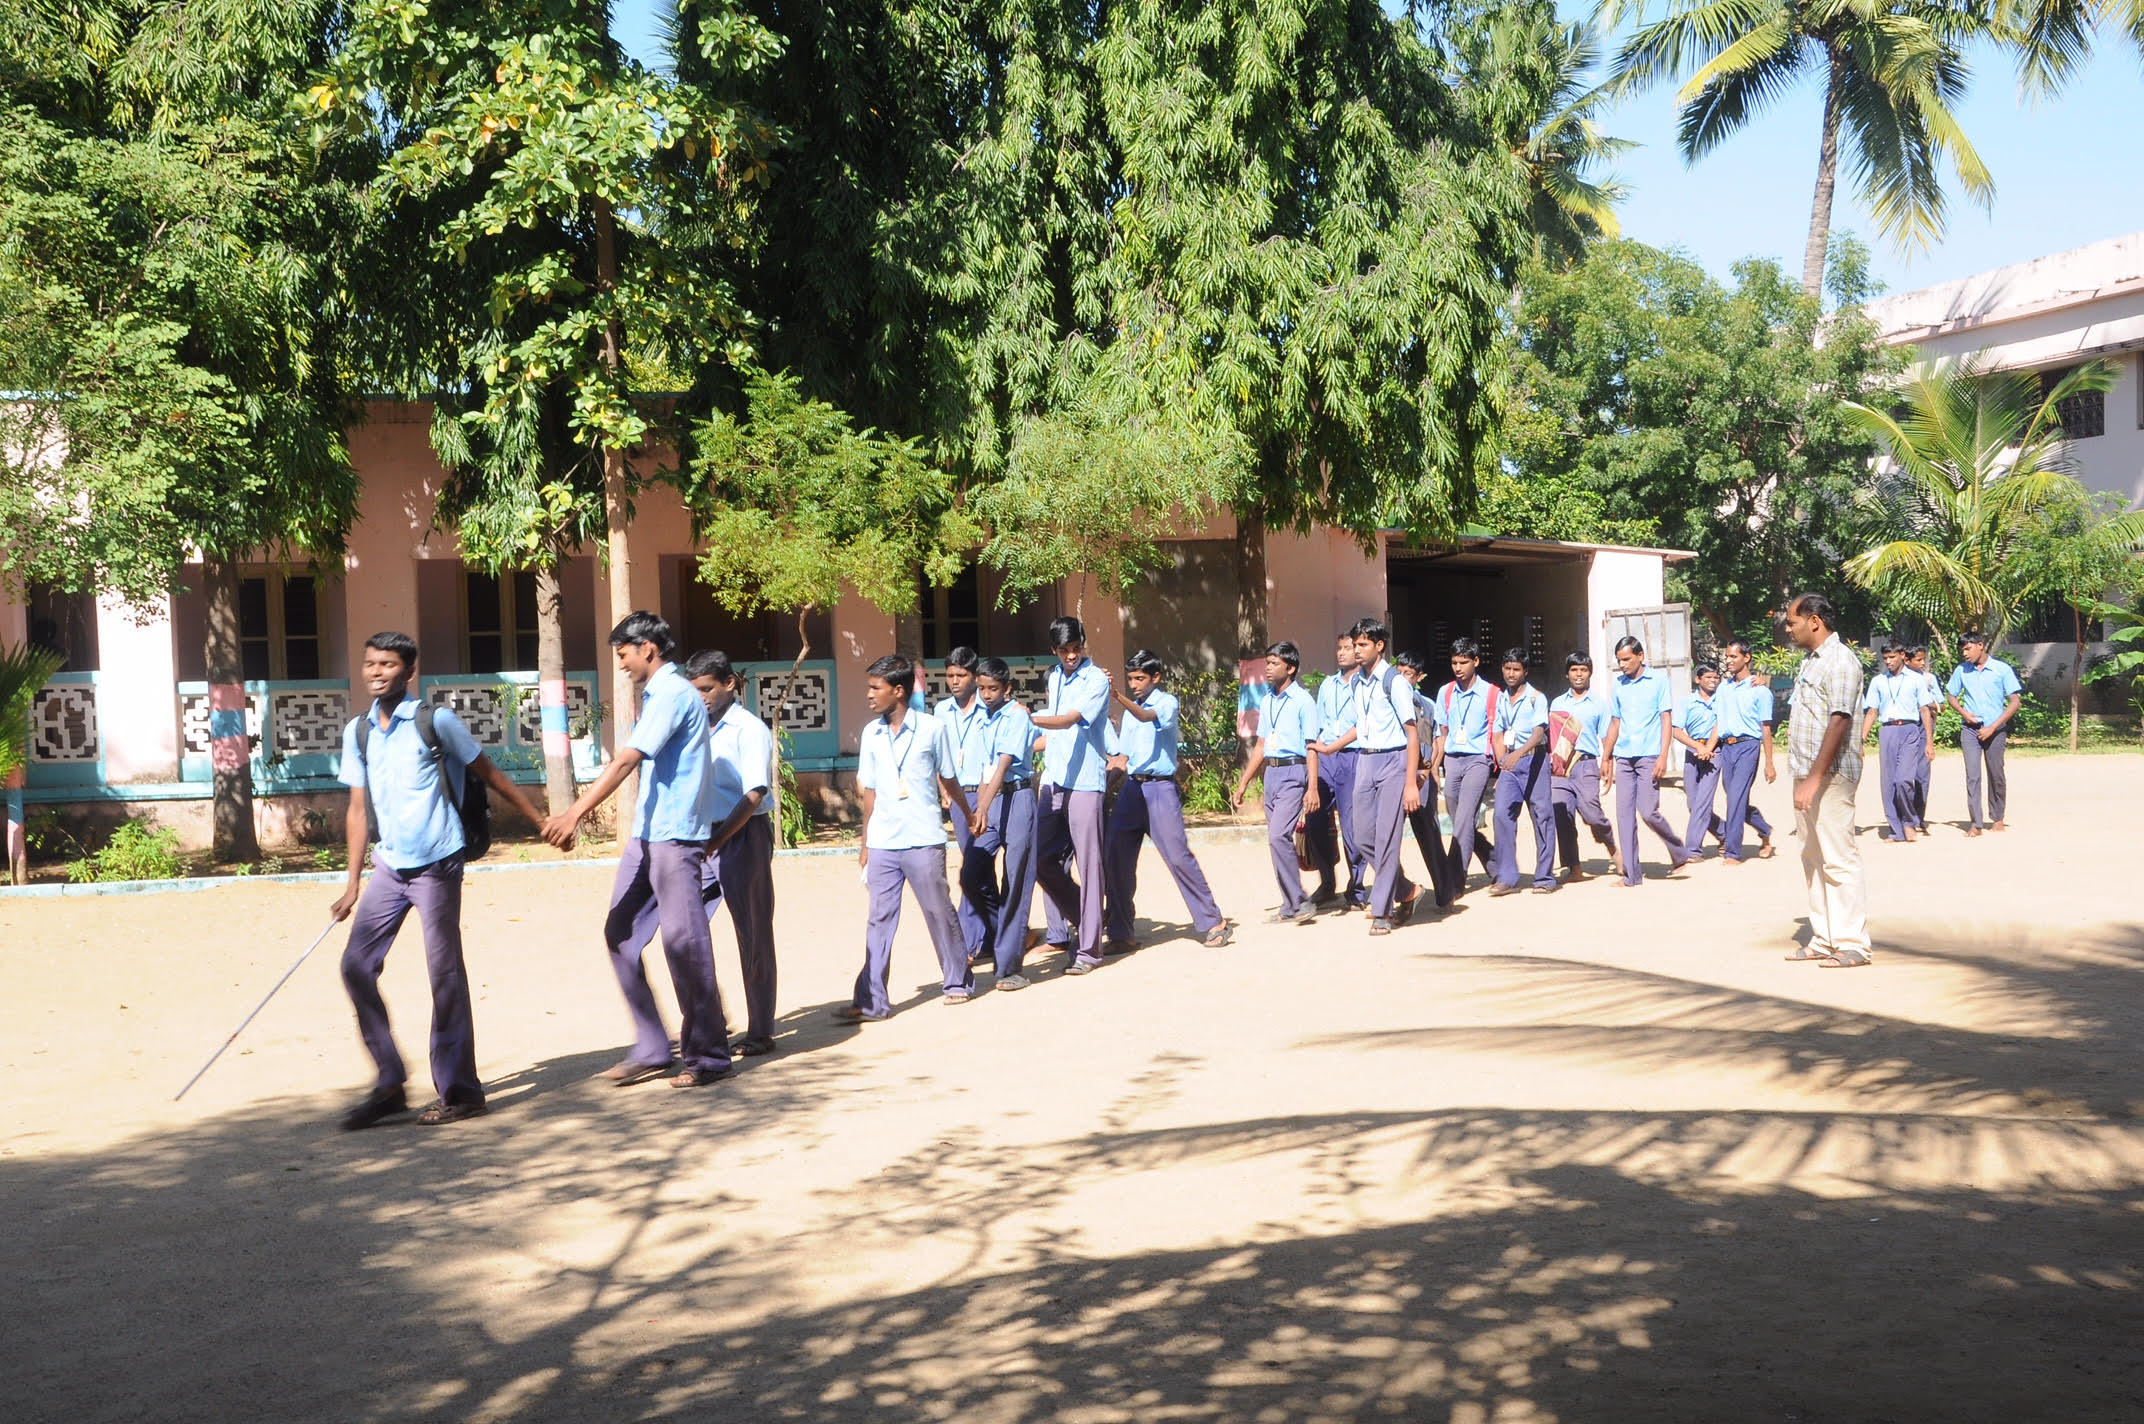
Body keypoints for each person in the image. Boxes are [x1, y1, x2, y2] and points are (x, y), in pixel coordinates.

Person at [330, 631, 547, 1130]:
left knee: (443, 974)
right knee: (356, 966)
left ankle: (461, 1091)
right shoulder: (358, 731)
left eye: (387, 664)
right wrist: (352, 883)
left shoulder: (435, 721)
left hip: (437, 864)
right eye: (370, 663)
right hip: (389, 866)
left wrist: (536, 820)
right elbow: (358, 808)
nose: (376, 672)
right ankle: (389, 1083)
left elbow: (488, 772)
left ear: (408, 671)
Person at [542, 613, 732, 1088]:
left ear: (647, 647)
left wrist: (573, 813)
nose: (622, 663)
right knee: (621, 934)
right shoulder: (658, 694)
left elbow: (628, 758)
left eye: (624, 653)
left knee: (684, 945)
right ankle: (652, 1046)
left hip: (676, 836)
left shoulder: (672, 692)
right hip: (649, 835)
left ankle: (708, 1056)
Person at [838, 653, 977, 1018]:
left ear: (897, 691)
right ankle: (872, 999)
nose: (869, 695)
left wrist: (966, 811)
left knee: (937, 910)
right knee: (879, 919)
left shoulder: (932, 729)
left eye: (875, 688)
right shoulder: (871, 733)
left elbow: (948, 777)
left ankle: (957, 981)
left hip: (922, 836)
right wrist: (865, 842)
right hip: (884, 840)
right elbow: (869, 791)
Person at [682, 650, 779, 1056]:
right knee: (684, 930)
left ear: (729, 685)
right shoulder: (694, 727)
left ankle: (760, 1030)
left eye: (706, 688)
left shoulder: (749, 729)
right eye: (695, 691)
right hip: (703, 836)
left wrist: (718, 842)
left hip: (743, 834)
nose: (700, 697)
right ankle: (711, 1018)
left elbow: (754, 794)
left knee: (752, 933)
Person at [1103, 651, 1231, 951]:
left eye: (1140, 678)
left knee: (1177, 856)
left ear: (1155, 677)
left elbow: (1146, 716)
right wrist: (1106, 790)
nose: (1135, 684)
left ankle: (1213, 922)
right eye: (1131, 678)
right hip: (1132, 791)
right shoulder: (1130, 713)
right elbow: (1123, 756)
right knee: (1115, 858)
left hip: (1160, 790)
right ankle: (1121, 932)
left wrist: (1117, 696)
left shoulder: (1165, 703)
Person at [1783, 593, 1870, 967]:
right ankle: (1824, 937)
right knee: (1813, 857)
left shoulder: (1841, 661)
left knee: (1838, 859)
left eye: (1792, 622)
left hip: (1830, 776)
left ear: (1814, 621)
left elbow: (1840, 721)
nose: (1788, 629)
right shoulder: (1811, 662)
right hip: (1806, 774)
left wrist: (1815, 778)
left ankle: (1853, 944)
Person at [1030, 617, 1112, 972]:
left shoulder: (1096, 680)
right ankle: (1087, 914)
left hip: (1085, 783)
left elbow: (1069, 719)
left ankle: (1089, 950)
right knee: (1040, 861)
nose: (1071, 655)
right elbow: (1055, 723)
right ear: (1054, 651)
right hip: (1054, 779)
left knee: (1088, 864)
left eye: (1076, 647)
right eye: (1064, 651)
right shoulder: (1053, 676)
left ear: (1083, 643)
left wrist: (1026, 717)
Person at [1234, 641, 1322, 925]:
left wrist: (1312, 786)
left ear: (1291, 667)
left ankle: (1301, 900)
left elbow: (1311, 746)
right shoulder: (1267, 699)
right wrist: (1244, 782)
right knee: (1275, 842)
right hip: (1271, 774)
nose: (1267, 669)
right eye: (1267, 663)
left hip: (1293, 773)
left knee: (1278, 836)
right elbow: (1261, 744)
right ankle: (1289, 905)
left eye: (1274, 664)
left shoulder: (1303, 702)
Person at [1347, 620, 1425, 934]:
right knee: (1361, 835)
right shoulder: (1355, 683)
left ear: (1379, 646)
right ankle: (1407, 890)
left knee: (1387, 837)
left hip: (1394, 761)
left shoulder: (1395, 682)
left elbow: (1412, 732)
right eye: (1355, 645)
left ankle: (1382, 911)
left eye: (1362, 644)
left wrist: (1410, 782)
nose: (1356, 650)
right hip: (1365, 760)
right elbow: (1361, 725)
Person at [968, 657, 1041, 989]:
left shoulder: (1016, 717)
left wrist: (981, 807)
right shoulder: (983, 719)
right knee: (972, 873)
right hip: (993, 800)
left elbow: (1003, 765)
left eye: (992, 688)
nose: (985, 694)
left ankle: (1009, 967)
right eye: (981, 688)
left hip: (1019, 798)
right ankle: (1006, 937)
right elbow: (985, 770)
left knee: (1014, 881)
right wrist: (980, 809)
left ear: (1007, 688)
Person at [1601, 634, 1690, 886]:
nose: (1623, 665)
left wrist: (1664, 756)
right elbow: (1615, 723)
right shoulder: (1618, 685)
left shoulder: (1658, 680)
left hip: (1650, 754)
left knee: (1648, 811)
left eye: (1627, 659)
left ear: (1640, 656)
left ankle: (1678, 850)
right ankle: (1632, 874)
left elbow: (1666, 719)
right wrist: (1606, 757)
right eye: (1619, 660)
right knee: (1623, 815)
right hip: (1624, 756)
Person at [933, 647, 995, 963]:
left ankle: (970, 941)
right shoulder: (941, 711)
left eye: (961, 675)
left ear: (974, 676)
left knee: (974, 865)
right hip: (958, 797)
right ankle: (994, 936)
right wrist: (943, 788)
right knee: (978, 866)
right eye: (950, 675)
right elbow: (936, 753)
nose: (954, 681)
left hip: (986, 795)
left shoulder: (988, 708)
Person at [1430, 638, 1499, 896]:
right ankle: (1496, 863)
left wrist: (1499, 764)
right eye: (1454, 662)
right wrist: (1436, 766)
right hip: (1452, 761)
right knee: (1462, 821)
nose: (1458, 667)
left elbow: (1498, 732)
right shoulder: (1445, 692)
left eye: (1463, 662)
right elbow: (1442, 732)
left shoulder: (1491, 693)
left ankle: (1454, 880)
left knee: (1463, 820)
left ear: (1476, 661)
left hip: (1478, 761)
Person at [1306, 629, 1369, 911]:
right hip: (1325, 756)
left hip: (1351, 756)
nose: (1343, 652)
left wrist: (1334, 747)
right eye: (1340, 647)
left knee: (1352, 825)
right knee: (1315, 819)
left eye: (1348, 647)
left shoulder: (1364, 684)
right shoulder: (1328, 685)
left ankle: (1355, 888)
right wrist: (1318, 752)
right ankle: (1327, 881)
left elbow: (1362, 726)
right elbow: (1319, 725)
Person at [1393, 651, 1458, 908]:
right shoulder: (1387, 704)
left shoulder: (1428, 706)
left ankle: (1445, 892)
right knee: (1388, 838)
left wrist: (1429, 770)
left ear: (1418, 677)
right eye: (1398, 672)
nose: (1402, 677)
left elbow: (1437, 742)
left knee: (1429, 834)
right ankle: (1395, 893)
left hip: (1421, 779)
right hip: (1394, 776)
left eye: (1408, 673)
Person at [1488, 649, 1556, 896]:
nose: (1511, 674)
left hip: (1534, 760)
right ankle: (1507, 876)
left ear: (1525, 671)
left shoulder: (1537, 698)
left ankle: (1545, 877)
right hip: (1511, 766)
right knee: (1501, 815)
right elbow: (1497, 733)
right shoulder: (1502, 698)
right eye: (1507, 668)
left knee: (1542, 817)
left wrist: (1519, 754)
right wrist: (1502, 760)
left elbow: (1539, 733)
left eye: (1516, 669)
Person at [1548, 652, 1620, 883]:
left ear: (1590, 672)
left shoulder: (1599, 704)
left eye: (1583, 670)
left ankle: (1612, 847)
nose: (1578, 674)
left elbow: (1606, 735)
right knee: (1562, 815)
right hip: (1560, 766)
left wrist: (1607, 762)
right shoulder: (1557, 703)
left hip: (1586, 764)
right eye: (1574, 670)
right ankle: (1574, 868)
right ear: (1567, 674)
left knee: (1592, 814)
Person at [1946, 631, 2021, 836]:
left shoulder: (2001, 669)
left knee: (1996, 773)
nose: (1965, 653)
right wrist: (1964, 713)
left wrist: (1993, 727)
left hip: (1995, 730)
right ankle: (1976, 823)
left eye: (1968, 648)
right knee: (1973, 776)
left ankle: (1997, 817)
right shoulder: (1962, 670)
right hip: (1970, 730)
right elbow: (1951, 696)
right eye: (1962, 649)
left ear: (1981, 645)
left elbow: (2015, 702)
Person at [1715, 640, 1778, 864]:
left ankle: (1733, 852)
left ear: (1746, 658)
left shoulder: (1760, 691)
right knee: (1735, 798)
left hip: (1748, 746)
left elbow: (1766, 728)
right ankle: (1764, 829)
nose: (1728, 661)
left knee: (1735, 799)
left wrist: (1769, 762)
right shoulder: (1724, 688)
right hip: (1727, 748)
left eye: (1733, 656)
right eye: (1727, 657)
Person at [1860, 643, 1929, 844]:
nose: (1888, 662)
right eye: (1885, 658)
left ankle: (1909, 821)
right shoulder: (1878, 681)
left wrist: (1929, 743)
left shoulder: (1916, 679)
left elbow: (1924, 710)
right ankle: (1896, 829)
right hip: (1887, 730)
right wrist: (1861, 739)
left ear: (1901, 655)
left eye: (1892, 657)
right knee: (1888, 783)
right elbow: (1872, 711)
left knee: (1904, 780)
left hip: (1910, 730)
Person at [1671, 664, 1725, 862]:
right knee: (1693, 803)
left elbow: (1721, 725)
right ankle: (1725, 832)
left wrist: (1708, 749)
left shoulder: (1723, 699)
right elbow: (1676, 730)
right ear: (1698, 680)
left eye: (1716, 677)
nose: (1713, 680)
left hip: (1714, 752)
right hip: (1692, 753)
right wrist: (1698, 747)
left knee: (1702, 802)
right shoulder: (1687, 702)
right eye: (1708, 677)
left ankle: (1693, 849)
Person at [1907, 645, 1940, 827]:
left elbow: (1940, 704)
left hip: (1923, 725)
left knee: (1922, 773)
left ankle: (1919, 817)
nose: (1922, 663)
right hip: (1905, 726)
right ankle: (1904, 815)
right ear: (1907, 660)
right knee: (1903, 774)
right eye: (1918, 660)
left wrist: (1928, 703)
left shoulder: (1928, 679)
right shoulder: (1898, 678)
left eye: (1923, 659)